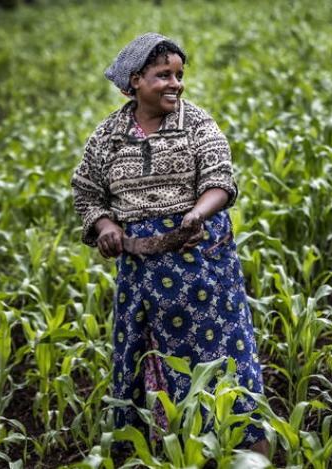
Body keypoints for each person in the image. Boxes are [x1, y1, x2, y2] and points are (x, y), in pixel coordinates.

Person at [71, 32, 269, 456]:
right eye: (163, 75)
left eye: (178, 75)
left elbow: (220, 181)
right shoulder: (108, 136)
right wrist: (105, 225)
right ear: (134, 82)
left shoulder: (197, 125)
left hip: (202, 266)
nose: (175, 84)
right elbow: (86, 192)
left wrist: (197, 213)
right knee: (146, 357)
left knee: (219, 356)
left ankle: (245, 452)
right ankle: (161, 453)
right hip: (140, 272)